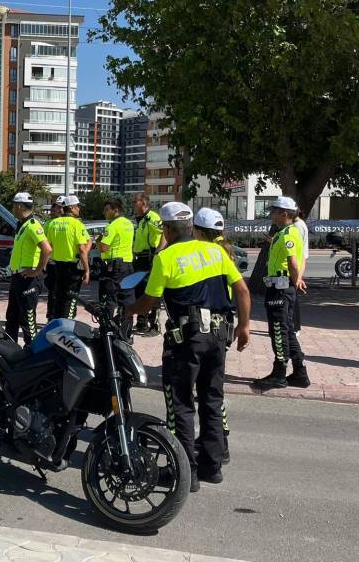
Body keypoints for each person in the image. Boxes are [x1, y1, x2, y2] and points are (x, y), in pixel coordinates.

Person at [126, 202, 250, 492]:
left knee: (180, 404)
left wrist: (126, 310)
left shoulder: (166, 258)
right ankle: (212, 466)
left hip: (186, 340)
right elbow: (242, 290)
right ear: (191, 228)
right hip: (220, 336)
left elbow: (149, 302)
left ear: (167, 229)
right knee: (211, 400)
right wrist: (244, 327)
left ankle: (184, 473)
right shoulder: (216, 251)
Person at [253, 196, 309, 390]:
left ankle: (279, 374)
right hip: (283, 287)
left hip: (280, 288)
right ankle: (300, 373)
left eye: (273, 211)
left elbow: (294, 262)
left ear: (284, 213)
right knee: (288, 330)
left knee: (278, 330)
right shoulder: (287, 232)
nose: (271, 215)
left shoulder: (287, 234)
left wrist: (295, 281)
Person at [193, 207, 235, 464]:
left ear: (198, 231)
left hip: (209, 321)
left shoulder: (210, 252)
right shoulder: (226, 249)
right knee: (213, 388)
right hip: (225, 322)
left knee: (208, 390)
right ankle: (220, 440)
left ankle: (219, 440)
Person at [5, 192, 52, 344]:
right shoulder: (23, 225)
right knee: (12, 316)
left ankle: (31, 353)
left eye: (13, 205)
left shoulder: (33, 225)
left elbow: (47, 249)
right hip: (18, 277)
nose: (12, 208)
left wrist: (37, 270)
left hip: (28, 279)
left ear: (19, 206)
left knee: (27, 319)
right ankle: (10, 348)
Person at [45, 195, 91, 319]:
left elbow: (47, 246)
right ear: (71, 208)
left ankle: (56, 324)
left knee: (58, 296)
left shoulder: (52, 223)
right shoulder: (77, 224)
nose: (79, 209)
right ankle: (67, 326)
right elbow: (82, 249)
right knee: (71, 299)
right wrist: (87, 270)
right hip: (72, 268)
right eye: (77, 206)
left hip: (56, 266)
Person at [94, 197, 135, 324]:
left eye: (107, 210)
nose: (104, 213)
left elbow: (103, 248)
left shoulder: (112, 226)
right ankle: (125, 331)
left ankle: (107, 329)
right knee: (127, 298)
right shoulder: (129, 224)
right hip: (127, 264)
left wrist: (97, 240)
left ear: (115, 210)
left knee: (108, 298)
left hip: (113, 266)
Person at [132, 192, 166, 335]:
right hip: (140, 259)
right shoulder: (141, 219)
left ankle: (154, 325)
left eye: (136, 202)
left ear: (143, 203)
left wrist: (157, 253)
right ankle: (141, 323)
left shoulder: (153, 217)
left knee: (152, 291)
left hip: (149, 257)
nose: (134, 205)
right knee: (140, 291)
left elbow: (164, 233)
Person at [44, 195, 65, 322]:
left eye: (62, 207)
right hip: (53, 262)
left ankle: (62, 316)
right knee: (53, 292)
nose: (59, 210)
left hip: (67, 263)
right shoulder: (49, 224)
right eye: (57, 207)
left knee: (63, 292)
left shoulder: (70, 222)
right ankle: (51, 316)